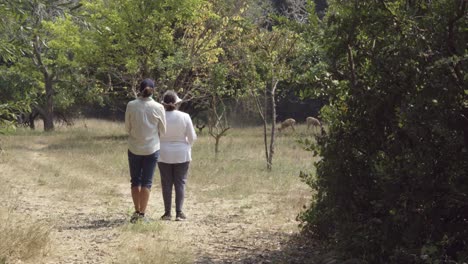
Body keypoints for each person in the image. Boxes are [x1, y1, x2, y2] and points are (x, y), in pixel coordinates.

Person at [125, 78, 166, 223]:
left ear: (139, 89)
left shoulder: (131, 105)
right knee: (147, 182)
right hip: (152, 148)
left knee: (135, 181)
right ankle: (142, 214)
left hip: (134, 147)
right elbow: (163, 130)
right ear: (153, 90)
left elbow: (127, 128)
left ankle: (136, 211)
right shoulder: (159, 107)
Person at [158, 90, 197, 221]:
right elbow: (192, 137)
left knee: (166, 183)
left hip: (163, 153)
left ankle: (167, 213)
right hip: (182, 153)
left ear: (163, 103)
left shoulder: (160, 116)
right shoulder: (185, 116)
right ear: (176, 103)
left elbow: (156, 135)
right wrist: (187, 145)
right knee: (180, 183)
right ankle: (179, 212)